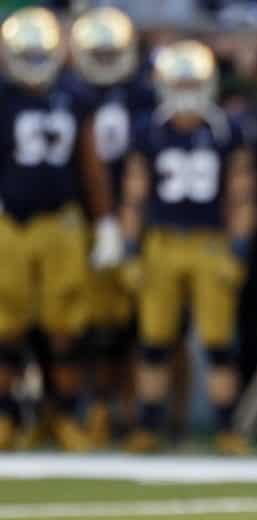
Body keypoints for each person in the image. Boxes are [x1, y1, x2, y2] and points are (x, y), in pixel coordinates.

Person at [120, 40, 257, 455]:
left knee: (218, 343)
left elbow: (242, 195)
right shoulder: (149, 130)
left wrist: (238, 248)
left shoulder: (227, 130)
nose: (185, 92)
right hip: (162, 242)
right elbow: (134, 195)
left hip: (210, 244)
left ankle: (226, 428)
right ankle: (147, 426)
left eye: (192, 82)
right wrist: (130, 250)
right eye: (177, 82)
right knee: (154, 341)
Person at [0, 6, 122, 452]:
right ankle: (8, 416)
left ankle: (65, 413)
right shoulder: (5, 95)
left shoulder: (75, 94)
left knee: (65, 326)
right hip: (11, 222)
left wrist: (105, 221)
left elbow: (91, 165)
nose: (33, 65)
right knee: (6, 325)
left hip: (63, 222)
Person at [69, 6, 156, 447]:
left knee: (150, 325)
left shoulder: (144, 94)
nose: (103, 59)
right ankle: (95, 410)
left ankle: (147, 416)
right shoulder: (69, 91)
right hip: (80, 219)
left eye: (111, 51)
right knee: (92, 322)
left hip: (142, 219)